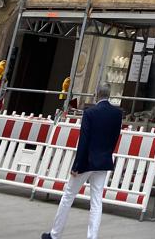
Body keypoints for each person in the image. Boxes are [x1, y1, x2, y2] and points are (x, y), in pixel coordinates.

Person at [40, 83, 123, 239]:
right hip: (103, 161)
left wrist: (77, 165)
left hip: (86, 161)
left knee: (68, 196)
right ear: (109, 95)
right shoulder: (117, 114)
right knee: (97, 202)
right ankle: (92, 237)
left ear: (96, 94)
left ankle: (55, 234)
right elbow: (115, 137)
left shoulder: (90, 113)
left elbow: (83, 141)